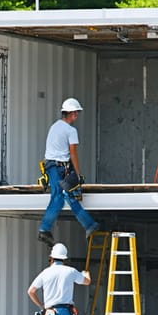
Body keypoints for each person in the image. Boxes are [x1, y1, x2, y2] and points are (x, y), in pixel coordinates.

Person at [37, 97, 99, 247]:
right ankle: (45, 229)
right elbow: (73, 153)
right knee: (61, 196)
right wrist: (78, 174)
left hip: (52, 166)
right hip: (59, 167)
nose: (77, 116)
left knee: (65, 197)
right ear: (71, 113)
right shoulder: (71, 131)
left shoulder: (54, 127)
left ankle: (89, 225)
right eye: (76, 113)